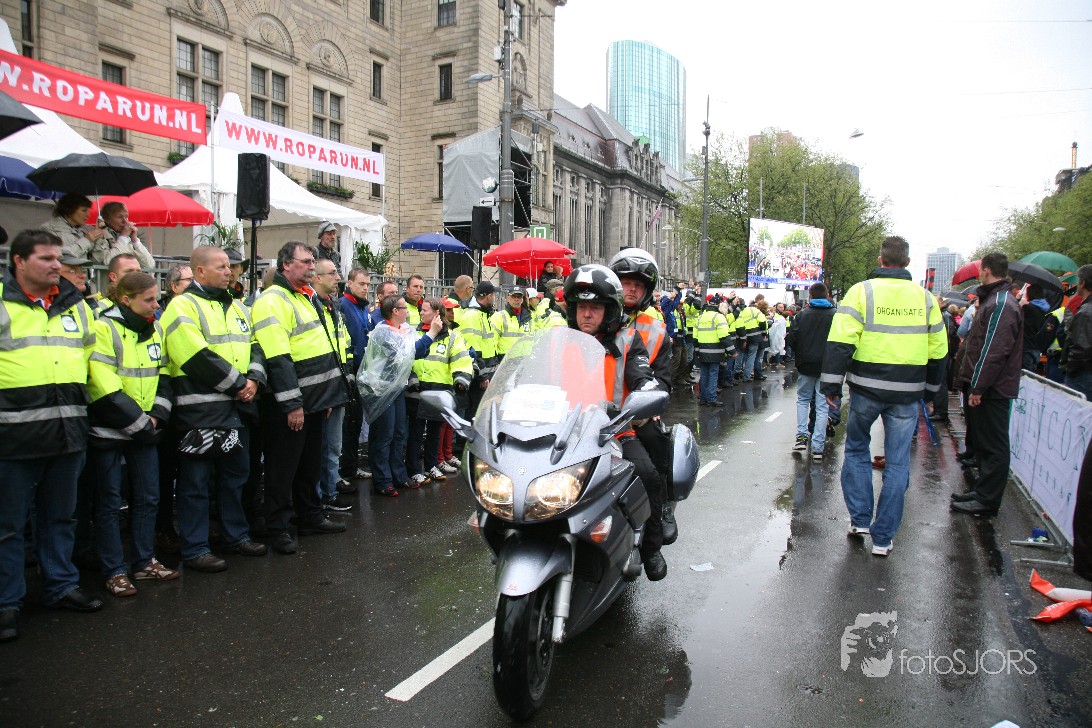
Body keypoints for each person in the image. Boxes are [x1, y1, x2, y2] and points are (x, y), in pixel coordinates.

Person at [0, 230, 102, 643]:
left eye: (58, 258)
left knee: (60, 517)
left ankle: (61, 585)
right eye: (46, 258)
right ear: (19, 261)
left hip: (67, 433)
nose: (56, 265)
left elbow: (92, 360)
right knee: (8, 526)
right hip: (13, 437)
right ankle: (7, 601)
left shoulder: (76, 305)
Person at [820, 236, 948, 557]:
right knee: (898, 462)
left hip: (866, 389)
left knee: (857, 450)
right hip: (907, 393)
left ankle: (860, 520)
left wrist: (832, 386)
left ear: (880, 260)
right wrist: (932, 393)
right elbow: (938, 351)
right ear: (907, 262)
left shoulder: (861, 291)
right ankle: (883, 538)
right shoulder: (926, 299)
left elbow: (840, 342)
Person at [160, 246, 269, 572]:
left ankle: (235, 535)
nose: (229, 272)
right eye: (221, 267)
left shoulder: (237, 306)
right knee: (196, 482)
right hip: (200, 411)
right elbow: (195, 357)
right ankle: (195, 548)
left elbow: (256, 346)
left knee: (235, 476)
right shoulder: (182, 306)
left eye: (230, 267)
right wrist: (239, 384)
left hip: (237, 409)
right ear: (200, 271)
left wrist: (254, 380)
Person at [564, 264, 669, 580]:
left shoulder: (628, 339)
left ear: (609, 310)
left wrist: (647, 390)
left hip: (613, 431)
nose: (586, 314)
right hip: (562, 430)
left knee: (648, 476)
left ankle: (650, 549)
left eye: (595, 307)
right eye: (581, 307)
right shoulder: (560, 339)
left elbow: (642, 374)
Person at [251, 242, 349, 554]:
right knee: (283, 467)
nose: (311, 267)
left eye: (312, 262)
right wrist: (292, 404)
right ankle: (278, 527)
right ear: (286, 265)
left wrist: (326, 397)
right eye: (305, 261)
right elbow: (278, 358)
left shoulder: (306, 297)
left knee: (309, 464)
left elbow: (321, 348)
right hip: (290, 403)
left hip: (315, 400)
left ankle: (310, 516)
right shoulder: (273, 300)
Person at [86, 271, 177, 596]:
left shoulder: (155, 329)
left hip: (146, 429)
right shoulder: (104, 328)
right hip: (111, 431)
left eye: (157, 298)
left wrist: (158, 415)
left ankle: (143, 562)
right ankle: (114, 570)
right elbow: (101, 381)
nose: (156, 305)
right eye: (149, 300)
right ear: (126, 300)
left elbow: (164, 374)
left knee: (148, 497)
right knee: (110, 503)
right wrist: (141, 423)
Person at [951, 253, 1023, 517]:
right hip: (988, 385)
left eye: (981, 270)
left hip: (994, 388)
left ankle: (988, 499)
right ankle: (983, 491)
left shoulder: (1002, 303)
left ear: (987, 270)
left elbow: (994, 350)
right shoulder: (996, 300)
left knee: (993, 445)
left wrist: (978, 387)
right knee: (985, 441)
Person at [362, 293, 441, 496]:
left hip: (397, 388)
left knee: (398, 434)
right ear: (395, 311)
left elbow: (419, 352)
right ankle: (383, 480)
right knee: (384, 435)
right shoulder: (382, 332)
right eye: (404, 308)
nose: (409, 311)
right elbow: (404, 355)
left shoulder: (404, 329)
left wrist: (429, 336)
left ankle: (398, 475)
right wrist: (431, 333)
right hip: (381, 389)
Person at [405, 297, 473, 485]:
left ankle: (431, 466)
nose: (421, 313)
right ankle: (414, 470)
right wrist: (412, 379)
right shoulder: (414, 333)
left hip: (439, 391)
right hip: (418, 390)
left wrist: (461, 380)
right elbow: (406, 360)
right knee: (416, 433)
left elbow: (462, 361)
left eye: (425, 310)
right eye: (421, 309)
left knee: (434, 432)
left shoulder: (452, 337)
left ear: (436, 313)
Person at [312, 258, 355, 512]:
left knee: (333, 447)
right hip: (322, 391)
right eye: (332, 273)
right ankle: (319, 497)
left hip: (337, 388)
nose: (337, 277)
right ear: (317, 278)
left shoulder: (333, 308)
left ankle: (329, 492)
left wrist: (346, 380)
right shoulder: (313, 308)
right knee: (320, 448)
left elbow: (345, 347)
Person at [787, 283, 836, 461]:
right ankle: (817, 447)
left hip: (806, 364)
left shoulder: (802, 315)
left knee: (803, 400)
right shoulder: (835, 315)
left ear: (811, 297)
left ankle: (801, 437)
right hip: (827, 366)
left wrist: (800, 354)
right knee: (822, 406)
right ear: (827, 295)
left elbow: (792, 338)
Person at [340, 267, 372, 483]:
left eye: (368, 284)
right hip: (350, 373)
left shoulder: (362, 307)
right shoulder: (344, 305)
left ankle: (351, 468)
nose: (365, 288)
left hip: (362, 373)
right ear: (350, 283)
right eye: (361, 284)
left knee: (356, 422)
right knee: (348, 425)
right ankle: (345, 471)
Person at [41, 193, 105, 260]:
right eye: (84, 210)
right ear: (70, 209)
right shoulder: (49, 229)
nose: (88, 215)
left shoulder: (86, 230)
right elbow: (59, 256)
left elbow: (97, 260)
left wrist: (98, 238)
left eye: (88, 211)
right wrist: (86, 240)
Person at [695, 296, 733, 406]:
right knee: (713, 374)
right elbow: (724, 336)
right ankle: (711, 398)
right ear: (718, 305)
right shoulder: (719, 317)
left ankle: (703, 398)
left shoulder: (700, 317)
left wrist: (697, 351)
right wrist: (732, 351)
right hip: (715, 351)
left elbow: (695, 337)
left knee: (704, 374)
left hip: (702, 350)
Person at [94, 202, 155, 268]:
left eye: (126, 217)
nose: (125, 221)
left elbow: (149, 265)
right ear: (107, 219)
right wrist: (123, 237)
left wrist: (135, 241)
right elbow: (107, 262)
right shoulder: (100, 236)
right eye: (120, 217)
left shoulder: (128, 238)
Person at [1062, 265, 1092, 400]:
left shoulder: (1086, 312)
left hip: (1082, 375)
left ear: (1083, 283)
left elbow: (1081, 348)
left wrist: (1070, 370)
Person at [491, 286, 532, 359]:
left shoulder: (528, 318)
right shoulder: (499, 316)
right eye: (513, 296)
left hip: (524, 360)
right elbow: (492, 341)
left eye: (519, 297)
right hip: (505, 360)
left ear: (522, 299)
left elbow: (533, 339)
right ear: (508, 298)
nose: (516, 299)